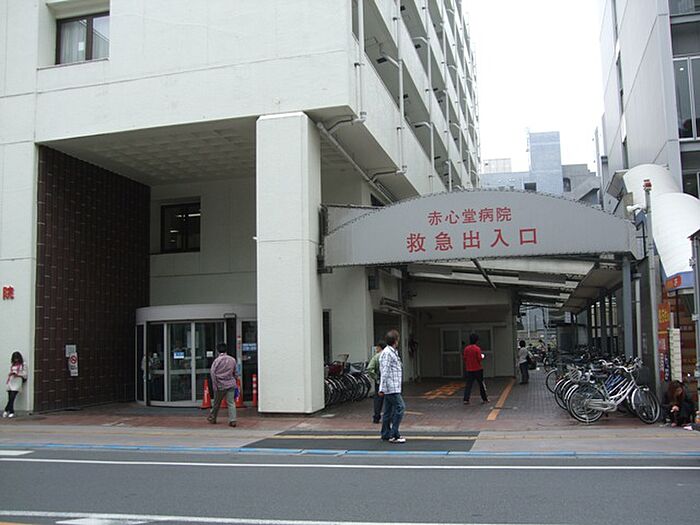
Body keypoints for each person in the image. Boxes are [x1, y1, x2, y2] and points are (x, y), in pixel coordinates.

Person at [378, 329, 406, 443]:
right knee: (400, 407)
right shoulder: (388, 353)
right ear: (395, 340)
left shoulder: (392, 352)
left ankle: (385, 433)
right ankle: (394, 434)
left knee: (388, 411)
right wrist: (382, 388)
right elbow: (384, 371)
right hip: (391, 387)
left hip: (392, 386)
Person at [207, 343, 238, 427]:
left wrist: (215, 385)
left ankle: (213, 417)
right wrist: (235, 380)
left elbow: (213, 373)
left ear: (217, 350)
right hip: (231, 383)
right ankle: (233, 420)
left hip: (220, 385)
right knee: (231, 402)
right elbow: (235, 372)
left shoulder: (217, 361)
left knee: (216, 403)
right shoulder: (232, 360)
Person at [463, 333, 489, 405]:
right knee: (481, 385)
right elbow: (479, 359)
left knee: (468, 385)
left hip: (469, 369)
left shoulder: (466, 349)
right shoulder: (477, 349)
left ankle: (466, 399)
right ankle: (484, 399)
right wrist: (482, 356)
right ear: (476, 340)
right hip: (478, 369)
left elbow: (464, 358)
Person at [366, 341, 387, 424]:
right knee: (389, 400)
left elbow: (369, 369)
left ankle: (376, 417)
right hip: (389, 381)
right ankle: (390, 417)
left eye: (377, 347)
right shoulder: (390, 356)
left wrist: (375, 377)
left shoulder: (376, 357)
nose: (376, 349)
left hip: (379, 380)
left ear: (379, 347)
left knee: (378, 400)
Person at [4, 351, 27, 418]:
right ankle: (9, 410)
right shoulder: (12, 364)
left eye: (17, 358)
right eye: (14, 358)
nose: (16, 360)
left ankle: (8, 410)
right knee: (9, 397)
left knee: (12, 396)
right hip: (11, 380)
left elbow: (25, 374)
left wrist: (18, 374)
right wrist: (11, 373)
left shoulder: (23, 365)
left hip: (17, 381)